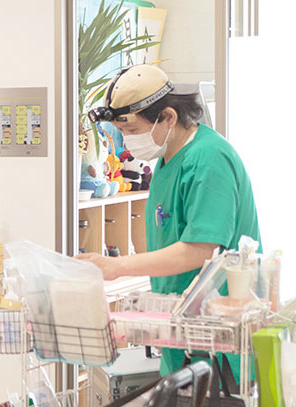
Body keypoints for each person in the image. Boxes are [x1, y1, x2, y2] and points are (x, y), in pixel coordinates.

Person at [80, 64, 261, 378]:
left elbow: (200, 250)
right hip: (183, 340)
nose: (128, 141)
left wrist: (117, 266)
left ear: (168, 117)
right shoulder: (166, 161)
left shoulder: (208, 160)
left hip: (219, 346)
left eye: (132, 131)